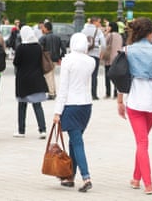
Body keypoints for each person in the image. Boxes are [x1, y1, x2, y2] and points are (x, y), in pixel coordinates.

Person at [116, 17, 152, 195]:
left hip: (135, 99)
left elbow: (121, 78)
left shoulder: (127, 50)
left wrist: (120, 101)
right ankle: (137, 179)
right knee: (143, 142)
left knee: (141, 142)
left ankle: (147, 183)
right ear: (150, 33)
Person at [53, 33, 95, 193]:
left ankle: (86, 177)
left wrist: (57, 112)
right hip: (86, 106)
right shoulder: (90, 61)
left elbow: (63, 88)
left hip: (71, 105)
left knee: (77, 142)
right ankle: (70, 176)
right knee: (74, 141)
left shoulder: (67, 61)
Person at [12, 26, 48, 139]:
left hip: (23, 79)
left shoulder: (21, 48)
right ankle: (42, 129)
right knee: (37, 105)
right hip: (36, 78)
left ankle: (21, 130)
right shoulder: (38, 47)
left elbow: (16, 62)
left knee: (22, 106)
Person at [39, 21, 66, 100]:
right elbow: (63, 49)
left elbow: (39, 49)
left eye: (43, 27)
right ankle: (53, 92)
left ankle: (51, 93)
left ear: (46, 28)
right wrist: (60, 57)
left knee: (49, 76)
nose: (42, 29)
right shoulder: (58, 37)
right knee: (52, 76)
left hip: (46, 60)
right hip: (55, 59)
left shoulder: (43, 38)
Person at [81, 16, 106, 100]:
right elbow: (103, 44)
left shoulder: (83, 31)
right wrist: (101, 54)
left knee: (84, 75)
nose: (99, 24)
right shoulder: (98, 31)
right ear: (94, 22)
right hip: (95, 55)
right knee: (94, 76)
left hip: (85, 55)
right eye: (98, 22)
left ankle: (84, 94)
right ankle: (94, 94)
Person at [103, 22, 123, 99]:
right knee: (116, 77)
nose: (107, 28)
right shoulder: (120, 36)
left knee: (107, 77)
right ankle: (115, 93)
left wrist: (105, 33)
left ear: (111, 27)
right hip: (117, 58)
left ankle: (108, 93)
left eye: (108, 26)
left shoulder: (109, 35)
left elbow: (104, 43)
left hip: (109, 59)